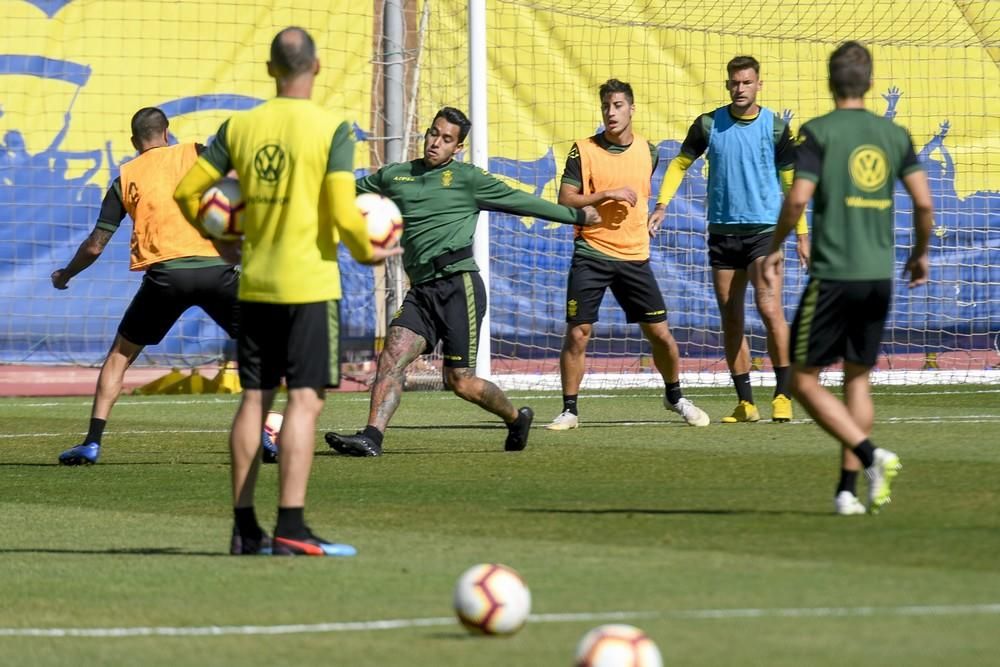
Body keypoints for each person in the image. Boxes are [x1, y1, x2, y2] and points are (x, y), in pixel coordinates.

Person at [174, 27, 397, 555]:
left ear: (271, 69)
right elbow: (346, 213)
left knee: (253, 401)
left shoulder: (241, 126)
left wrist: (220, 239)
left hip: (255, 285)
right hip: (309, 287)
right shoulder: (333, 129)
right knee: (303, 402)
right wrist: (372, 253)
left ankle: (245, 530)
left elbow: (187, 191)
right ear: (315, 68)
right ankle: (292, 527)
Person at [324, 106, 602, 457]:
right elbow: (343, 190)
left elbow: (523, 203)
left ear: (458, 148)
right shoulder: (396, 176)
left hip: (459, 287)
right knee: (391, 358)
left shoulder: (469, 179)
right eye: (433, 133)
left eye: (446, 139)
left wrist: (575, 215)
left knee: (460, 381)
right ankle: (371, 438)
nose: (435, 142)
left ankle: (516, 419)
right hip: (421, 291)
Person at [761, 41, 931, 515]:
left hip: (834, 275)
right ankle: (846, 492)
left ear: (830, 83)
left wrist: (773, 249)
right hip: (880, 276)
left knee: (800, 378)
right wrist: (919, 255)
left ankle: (871, 454)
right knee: (858, 379)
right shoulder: (893, 134)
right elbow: (923, 203)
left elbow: (796, 200)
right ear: (871, 83)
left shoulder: (817, 132)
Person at [53, 107, 239, 466]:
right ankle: (262, 432)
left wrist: (66, 275)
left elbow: (95, 245)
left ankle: (92, 442)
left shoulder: (125, 177)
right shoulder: (198, 153)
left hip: (166, 276)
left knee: (120, 355)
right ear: (167, 133)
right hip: (217, 269)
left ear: (134, 141)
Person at [649, 56, 809, 424]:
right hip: (722, 233)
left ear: (759, 85)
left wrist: (802, 234)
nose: (740, 89)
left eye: (747, 83)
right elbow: (678, 164)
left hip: (765, 233)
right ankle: (745, 403)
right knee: (730, 316)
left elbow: (790, 183)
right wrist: (661, 205)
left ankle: (783, 394)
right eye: (735, 83)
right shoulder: (708, 125)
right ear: (727, 85)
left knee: (770, 310)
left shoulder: (775, 128)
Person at [545, 79, 710, 431]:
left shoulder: (649, 152)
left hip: (634, 256)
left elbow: (644, 197)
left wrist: (653, 215)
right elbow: (566, 198)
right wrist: (605, 195)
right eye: (606, 106)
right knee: (578, 332)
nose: (611, 112)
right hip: (591, 252)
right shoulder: (583, 150)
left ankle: (674, 394)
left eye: (618, 105)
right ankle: (570, 410)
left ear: (632, 109)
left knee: (661, 335)